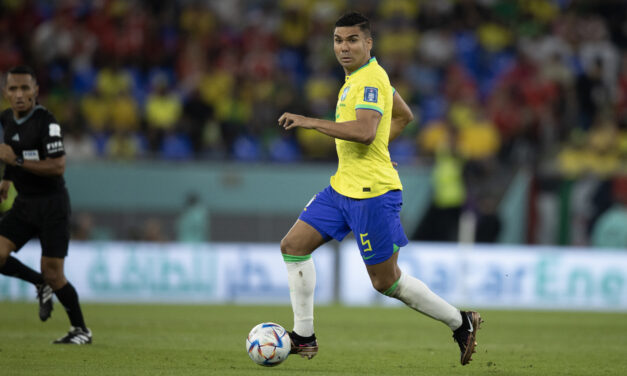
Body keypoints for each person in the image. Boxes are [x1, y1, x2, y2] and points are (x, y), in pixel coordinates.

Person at [278, 12, 482, 366]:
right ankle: (304, 336)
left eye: (352, 40)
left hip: (372, 194)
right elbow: (404, 116)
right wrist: (380, 154)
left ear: (368, 43)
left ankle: (460, 321)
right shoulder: (360, 78)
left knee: (386, 282)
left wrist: (311, 122)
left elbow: (365, 131)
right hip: (341, 188)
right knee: (293, 246)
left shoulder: (370, 79)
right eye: (338, 40)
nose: (344, 47)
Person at [0, 65, 92, 344]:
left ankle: (81, 330)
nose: (19, 94)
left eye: (25, 88)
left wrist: (15, 162)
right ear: (6, 93)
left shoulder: (46, 122)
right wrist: (7, 179)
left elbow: (58, 166)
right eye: (13, 88)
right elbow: (11, 152)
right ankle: (38, 282)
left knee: (55, 273)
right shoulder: (7, 119)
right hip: (25, 205)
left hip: (52, 206)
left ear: (35, 92)